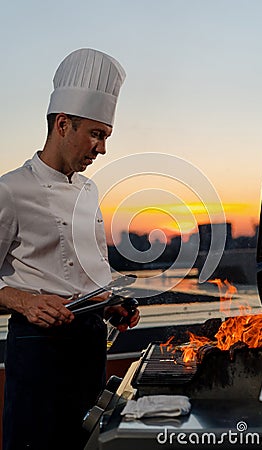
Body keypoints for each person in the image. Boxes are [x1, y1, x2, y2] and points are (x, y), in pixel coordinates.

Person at [0, 48, 140, 450]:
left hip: (90, 346)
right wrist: (24, 301)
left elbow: (85, 273)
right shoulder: (11, 189)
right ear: (63, 124)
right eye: (96, 134)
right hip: (40, 352)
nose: (102, 149)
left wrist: (107, 301)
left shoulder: (89, 189)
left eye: (106, 137)